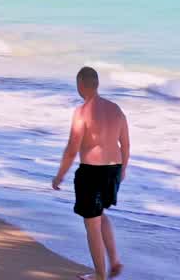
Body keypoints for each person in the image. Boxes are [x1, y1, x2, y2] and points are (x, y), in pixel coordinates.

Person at [52, 66, 130, 280]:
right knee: (99, 214)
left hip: (92, 173)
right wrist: (123, 170)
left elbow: (72, 148)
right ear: (96, 84)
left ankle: (99, 275)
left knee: (91, 223)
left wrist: (60, 175)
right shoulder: (116, 109)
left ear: (81, 85)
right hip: (113, 170)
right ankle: (114, 260)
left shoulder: (82, 112)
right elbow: (125, 145)